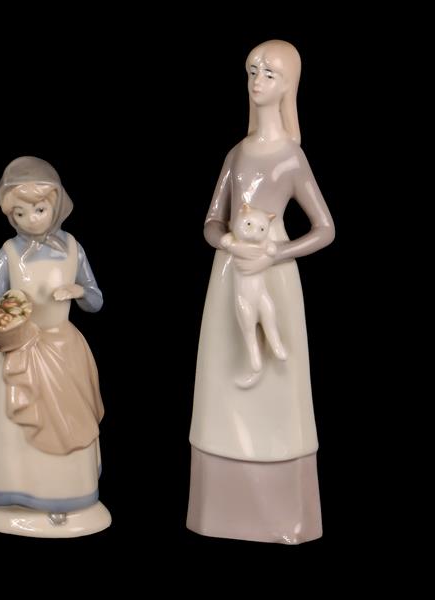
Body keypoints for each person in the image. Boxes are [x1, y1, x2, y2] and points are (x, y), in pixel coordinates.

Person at [188, 40, 335, 544]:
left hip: (272, 274)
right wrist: (227, 242)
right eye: (252, 70)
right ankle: (220, 508)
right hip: (229, 275)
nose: (257, 81)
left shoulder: (291, 157)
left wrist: (276, 253)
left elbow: (325, 229)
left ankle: (280, 515)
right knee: (222, 377)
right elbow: (212, 220)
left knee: (278, 383)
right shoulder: (237, 153)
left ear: (288, 84)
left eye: (269, 73)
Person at [0, 156, 111, 537]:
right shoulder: (8, 254)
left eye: (39, 209)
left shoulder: (73, 248)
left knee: (68, 425)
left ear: (56, 206)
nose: (31, 220)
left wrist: (78, 291)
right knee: (17, 430)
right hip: (17, 348)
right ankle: (21, 496)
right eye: (20, 213)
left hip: (62, 348)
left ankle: (66, 497)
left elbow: (96, 300)